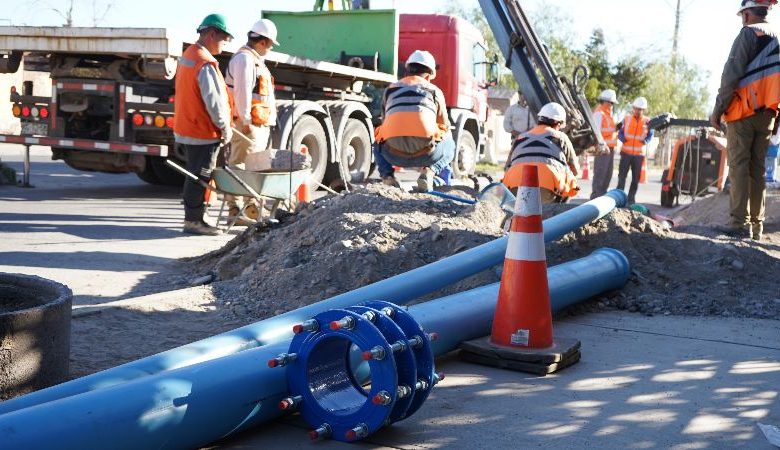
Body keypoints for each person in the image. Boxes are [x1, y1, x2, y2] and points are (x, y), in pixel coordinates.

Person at [709, 0, 779, 241]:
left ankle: (739, 223)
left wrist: (718, 109)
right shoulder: (777, 37)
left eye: (742, 15)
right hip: (768, 116)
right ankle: (756, 227)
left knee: (739, 166)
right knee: (757, 170)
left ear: (747, 14)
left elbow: (731, 74)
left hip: (743, 112)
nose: (742, 19)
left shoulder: (748, 33)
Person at [173, 14, 234, 236]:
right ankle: (193, 221)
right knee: (199, 176)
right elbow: (214, 101)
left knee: (196, 174)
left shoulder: (189, 55)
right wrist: (225, 127)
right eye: (224, 38)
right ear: (211, 34)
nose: (225, 43)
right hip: (202, 129)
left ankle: (197, 216)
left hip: (189, 126)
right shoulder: (204, 63)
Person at [373, 50, 455, 192]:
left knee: (378, 138)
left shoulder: (390, 90)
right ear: (429, 76)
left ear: (408, 70)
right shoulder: (434, 90)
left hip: (392, 155)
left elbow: (385, 121)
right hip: (426, 154)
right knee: (449, 138)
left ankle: (388, 178)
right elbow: (444, 124)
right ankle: (430, 172)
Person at [224, 18, 279, 226]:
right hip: (248, 124)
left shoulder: (253, 60)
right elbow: (242, 92)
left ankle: (250, 207)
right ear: (262, 42)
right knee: (240, 166)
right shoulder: (244, 60)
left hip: (257, 124)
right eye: (271, 44)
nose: (271, 48)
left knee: (252, 168)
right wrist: (245, 121)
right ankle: (235, 210)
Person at [503, 102, 580, 203]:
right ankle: (558, 214)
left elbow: (507, 167)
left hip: (514, 188)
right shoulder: (560, 137)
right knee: (571, 181)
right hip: (546, 190)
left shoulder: (521, 137)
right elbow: (575, 170)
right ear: (558, 123)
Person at [616, 96, 654, 205]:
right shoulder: (626, 118)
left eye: (640, 109)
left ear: (644, 110)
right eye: (636, 108)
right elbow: (620, 132)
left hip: (638, 155)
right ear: (633, 108)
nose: (637, 111)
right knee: (622, 177)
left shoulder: (647, 121)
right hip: (626, 153)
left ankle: (631, 199)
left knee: (635, 179)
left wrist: (645, 141)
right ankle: (618, 198)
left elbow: (651, 135)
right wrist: (622, 138)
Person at [590, 89, 619, 199]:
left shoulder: (608, 115)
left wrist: (616, 128)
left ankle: (601, 197)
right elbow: (596, 132)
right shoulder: (599, 113)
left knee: (607, 175)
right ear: (606, 102)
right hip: (602, 148)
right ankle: (595, 198)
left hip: (609, 148)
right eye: (611, 103)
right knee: (600, 175)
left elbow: (608, 130)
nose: (612, 105)